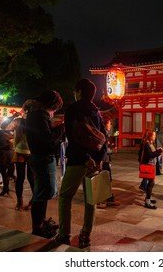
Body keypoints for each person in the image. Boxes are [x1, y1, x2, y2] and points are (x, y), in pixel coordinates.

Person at [54, 79, 107, 248]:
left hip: (78, 160)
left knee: (65, 197)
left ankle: (64, 234)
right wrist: (98, 160)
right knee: (90, 199)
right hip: (94, 163)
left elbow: (73, 136)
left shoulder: (72, 110)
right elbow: (104, 138)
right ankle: (86, 235)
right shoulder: (96, 112)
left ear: (78, 92)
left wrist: (85, 157)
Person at [23, 90, 65, 239]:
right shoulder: (39, 115)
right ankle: (38, 227)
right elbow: (47, 138)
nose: (54, 111)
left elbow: (43, 135)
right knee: (41, 195)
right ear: (51, 104)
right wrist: (61, 128)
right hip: (42, 157)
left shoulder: (35, 114)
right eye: (55, 108)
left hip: (38, 156)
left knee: (43, 193)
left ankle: (42, 221)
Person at [4, 114, 34, 210]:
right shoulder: (18, 121)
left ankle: (33, 200)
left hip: (32, 153)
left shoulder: (36, 120)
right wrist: (12, 116)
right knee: (20, 177)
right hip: (20, 152)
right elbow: (4, 127)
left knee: (31, 178)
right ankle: (19, 201)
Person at [97, 116, 121, 209]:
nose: (111, 125)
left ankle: (108, 198)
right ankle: (103, 199)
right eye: (109, 123)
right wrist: (111, 150)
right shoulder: (102, 133)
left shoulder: (104, 133)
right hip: (103, 161)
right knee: (105, 180)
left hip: (105, 160)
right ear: (105, 124)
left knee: (107, 180)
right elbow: (103, 149)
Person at [139, 130, 163, 209]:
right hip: (149, 165)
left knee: (151, 183)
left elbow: (152, 153)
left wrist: (157, 150)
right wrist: (159, 151)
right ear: (150, 136)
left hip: (152, 165)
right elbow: (150, 155)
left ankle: (148, 198)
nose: (155, 136)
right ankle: (147, 202)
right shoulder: (146, 144)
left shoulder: (150, 143)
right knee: (151, 183)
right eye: (153, 135)